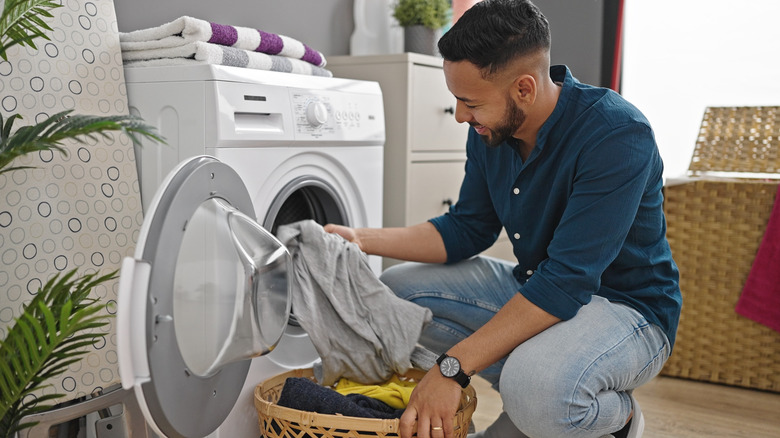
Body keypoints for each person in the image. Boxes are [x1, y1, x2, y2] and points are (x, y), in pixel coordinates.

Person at [325, 0, 682, 437]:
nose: (460, 115)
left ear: (524, 90)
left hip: (629, 311)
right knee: (396, 294)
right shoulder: (493, 129)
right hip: (538, 286)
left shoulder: (617, 135)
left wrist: (452, 370)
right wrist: (358, 239)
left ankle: (614, 418)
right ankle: (537, 386)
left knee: (536, 392)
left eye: (469, 102)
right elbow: (466, 229)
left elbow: (567, 280)